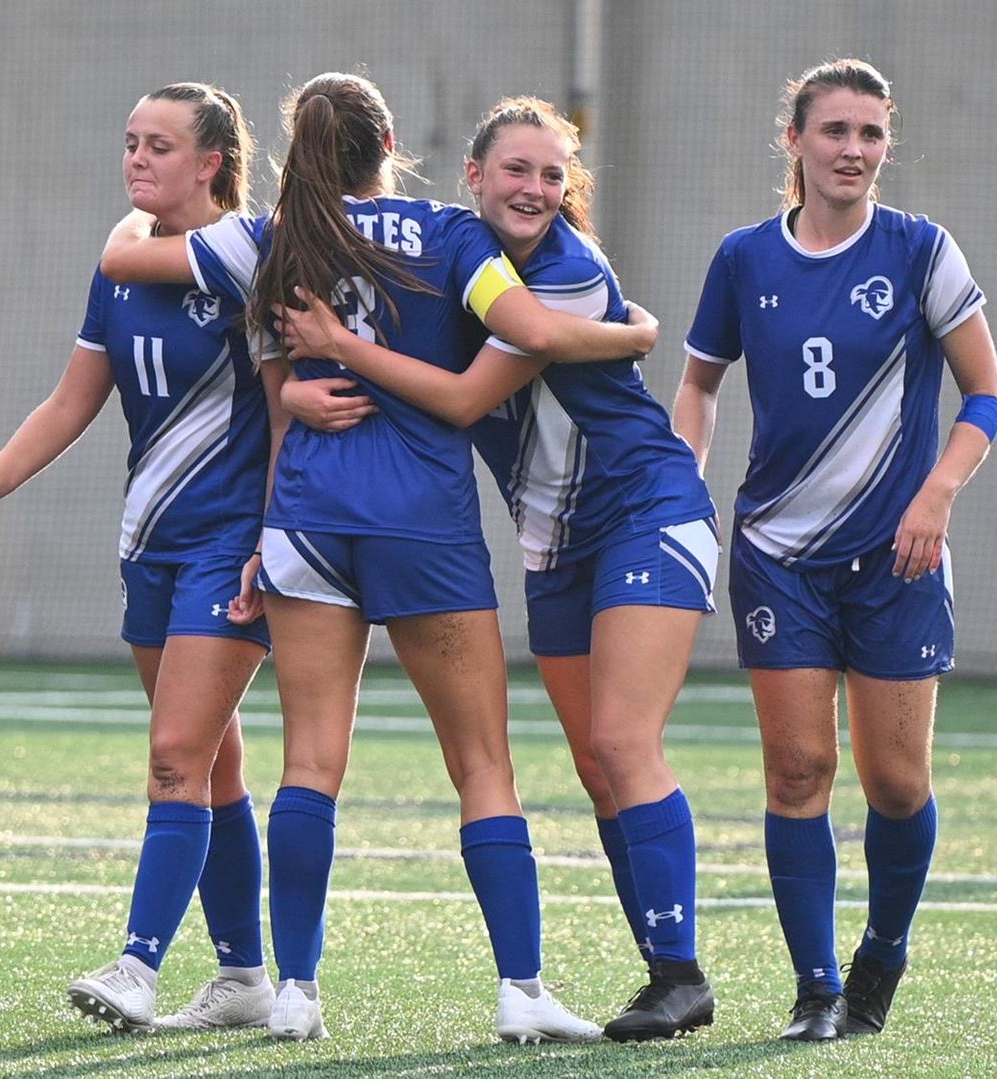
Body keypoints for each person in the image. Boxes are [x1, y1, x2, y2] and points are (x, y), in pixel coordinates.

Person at [101, 71, 656, 1043]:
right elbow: (528, 330)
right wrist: (631, 330)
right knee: (482, 764)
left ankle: (297, 991)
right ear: (390, 139)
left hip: (308, 516)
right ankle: (522, 987)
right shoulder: (451, 236)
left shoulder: (274, 238)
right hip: (423, 521)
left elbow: (129, 260)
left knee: (310, 761)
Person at [275, 96, 722, 1041]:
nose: (536, 189)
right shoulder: (449, 256)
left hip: (645, 511)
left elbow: (471, 395)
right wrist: (294, 384)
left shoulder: (557, 269)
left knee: (622, 740)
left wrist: (335, 349)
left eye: (554, 174)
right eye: (517, 170)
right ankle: (656, 971)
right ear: (471, 176)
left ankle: (681, 973)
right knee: (597, 763)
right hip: (555, 538)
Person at [672, 58, 997, 1042]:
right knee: (797, 772)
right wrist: (684, 484)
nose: (852, 150)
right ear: (796, 142)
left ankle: (882, 954)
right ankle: (817, 988)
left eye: (869, 133)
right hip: (778, 551)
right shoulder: (743, 258)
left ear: (885, 143)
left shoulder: (921, 250)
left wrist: (938, 492)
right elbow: (699, 384)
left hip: (899, 558)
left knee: (895, 782)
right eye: (834, 132)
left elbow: (985, 393)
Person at [0, 82, 274, 1032]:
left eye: (159, 145)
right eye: (130, 141)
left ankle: (138, 964)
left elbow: (287, 408)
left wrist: (274, 534)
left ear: (211, 162)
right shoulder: (122, 266)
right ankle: (245, 976)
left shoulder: (251, 258)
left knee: (174, 756)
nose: (136, 159)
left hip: (230, 547)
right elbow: (71, 400)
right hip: (151, 546)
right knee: (213, 764)